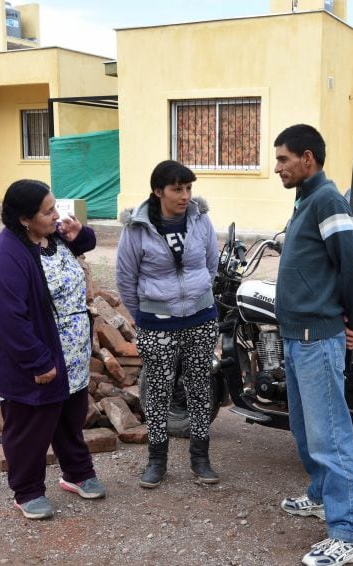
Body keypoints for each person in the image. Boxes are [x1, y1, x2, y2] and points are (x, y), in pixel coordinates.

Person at [0, 179, 106, 520]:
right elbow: (10, 319)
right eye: (48, 211)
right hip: (36, 355)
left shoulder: (52, 236)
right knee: (30, 426)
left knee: (69, 417)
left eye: (55, 206)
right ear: (24, 219)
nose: (56, 214)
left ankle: (76, 473)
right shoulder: (4, 258)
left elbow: (85, 244)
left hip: (72, 351)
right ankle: (28, 490)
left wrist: (80, 234)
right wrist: (37, 360)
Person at [273, 124, 353, 565]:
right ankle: (318, 495)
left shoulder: (327, 199)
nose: (278, 168)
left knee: (330, 437)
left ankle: (348, 533)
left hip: (317, 337)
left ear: (307, 158)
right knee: (306, 432)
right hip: (296, 337)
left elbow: (352, 266)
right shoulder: (305, 201)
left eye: (283, 159)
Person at [116, 159, 220, 488]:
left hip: (201, 320)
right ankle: (156, 461)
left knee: (200, 389)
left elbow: (211, 264)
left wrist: (195, 301)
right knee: (158, 392)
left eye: (188, 188)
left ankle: (200, 460)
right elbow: (125, 280)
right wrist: (149, 315)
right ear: (158, 191)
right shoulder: (136, 228)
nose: (185, 195)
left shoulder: (201, 220)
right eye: (177, 189)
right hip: (157, 325)